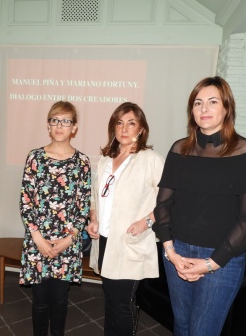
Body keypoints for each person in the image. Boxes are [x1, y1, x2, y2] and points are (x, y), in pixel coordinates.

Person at [152, 76, 246, 336]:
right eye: (198, 103)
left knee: (203, 331)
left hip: (221, 258)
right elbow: (163, 204)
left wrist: (212, 263)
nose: (204, 109)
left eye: (212, 102)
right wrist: (170, 250)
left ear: (226, 108)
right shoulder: (179, 149)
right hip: (176, 252)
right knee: (181, 326)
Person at [87, 102, 164, 336]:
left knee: (121, 305)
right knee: (110, 302)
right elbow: (95, 197)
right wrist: (93, 218)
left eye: (131, 123)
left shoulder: (150, 159)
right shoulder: (105, 160)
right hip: (105, 241)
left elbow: (170, 201)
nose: (124, 128)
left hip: (130, 242)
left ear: (141, 129)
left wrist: (146, 221)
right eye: (119, 123)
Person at [19, 101, 91, 336]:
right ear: (48, 125)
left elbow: (83, 206)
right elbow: (25, 201)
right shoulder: (35, 157)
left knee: (60, 300)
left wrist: (69, 240)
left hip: (67, 244)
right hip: (37, 242)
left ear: (74, 127)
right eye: (55, 120)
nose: (60, 125)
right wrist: (38, 238)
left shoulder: (83, 162)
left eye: (66, 121)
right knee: (40, 301)